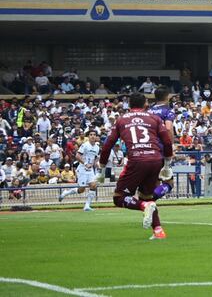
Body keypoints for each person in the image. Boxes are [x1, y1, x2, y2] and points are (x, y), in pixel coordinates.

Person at [97, 93, 174, 240]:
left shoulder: (121, 120)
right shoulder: (154, 118)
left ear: (129, 104)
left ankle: (143, 206)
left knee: (119, 198)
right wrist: (167, 164)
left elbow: (107, 146)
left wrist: (101, 167)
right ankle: (158, 231)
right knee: (148, 196)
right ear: (145, 103)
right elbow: (167, 141)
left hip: (136, 160)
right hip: (155, 159)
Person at [58, 130, 101, 211]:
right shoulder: (85, 145)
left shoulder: (97, 147)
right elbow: (77, 156)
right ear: (88, 137)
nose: (92, 136)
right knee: (81, 189)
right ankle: (66, 192)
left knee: (94, 185)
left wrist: (95, 164)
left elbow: (96, 157)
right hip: (82, 169)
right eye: (91, 134)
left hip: (90, 170)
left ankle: (87, 206)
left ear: (96, 137)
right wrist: (85, 164)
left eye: (94, 135)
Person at [148, 87, 176, 201]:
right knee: (169, 183)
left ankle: (151, 209)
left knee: (156, 182)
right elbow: (168, 129)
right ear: (167, 97)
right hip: (161, 149)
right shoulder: (167, 110)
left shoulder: (148, 111)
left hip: (148, 147)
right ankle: (150, 199)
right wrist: (171, 146)